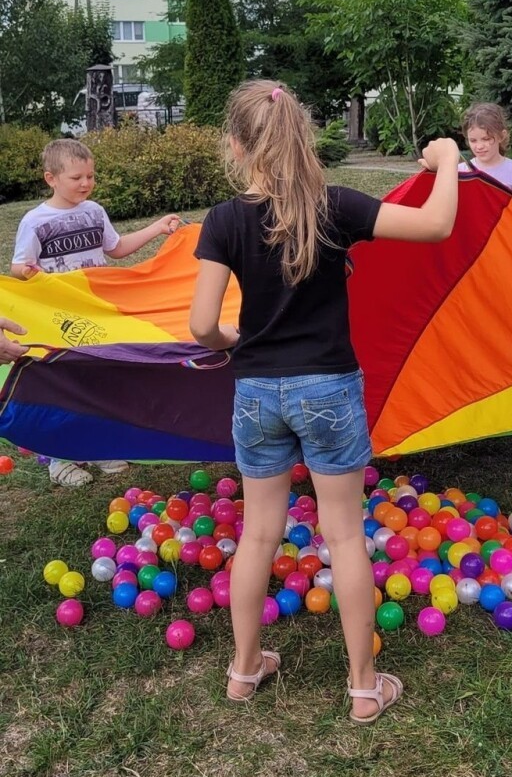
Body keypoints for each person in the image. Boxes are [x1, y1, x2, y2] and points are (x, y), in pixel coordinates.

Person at [190, 80, 460, 725]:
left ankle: (243, 670)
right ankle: (364, 687)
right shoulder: (333, 206)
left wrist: (235, 338)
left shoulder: (224, 219)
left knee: (257, 533)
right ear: (303, 140)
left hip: (256, 391)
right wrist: (446, 161)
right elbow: (437, 224)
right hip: (329, 390)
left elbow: (201, 325)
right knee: (343, 534)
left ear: (235, 146)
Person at [11, 138, 179, 486]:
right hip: (59, 318)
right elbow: (18, 268)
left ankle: (100, 446)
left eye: (90, 176)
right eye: (77, 178)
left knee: (100, 377)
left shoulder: (94, 211)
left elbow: (115, 249)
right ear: (51, 178)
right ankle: (60, 458)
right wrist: (30, 274)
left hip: (95, 315)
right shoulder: (35, 221)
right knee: (66, 382)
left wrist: (157, 229)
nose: (86, 183)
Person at [460, 102, 512, 192]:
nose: (479, 146)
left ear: (501, 136)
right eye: (473, 140)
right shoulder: (461, 171)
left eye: (486, 139)